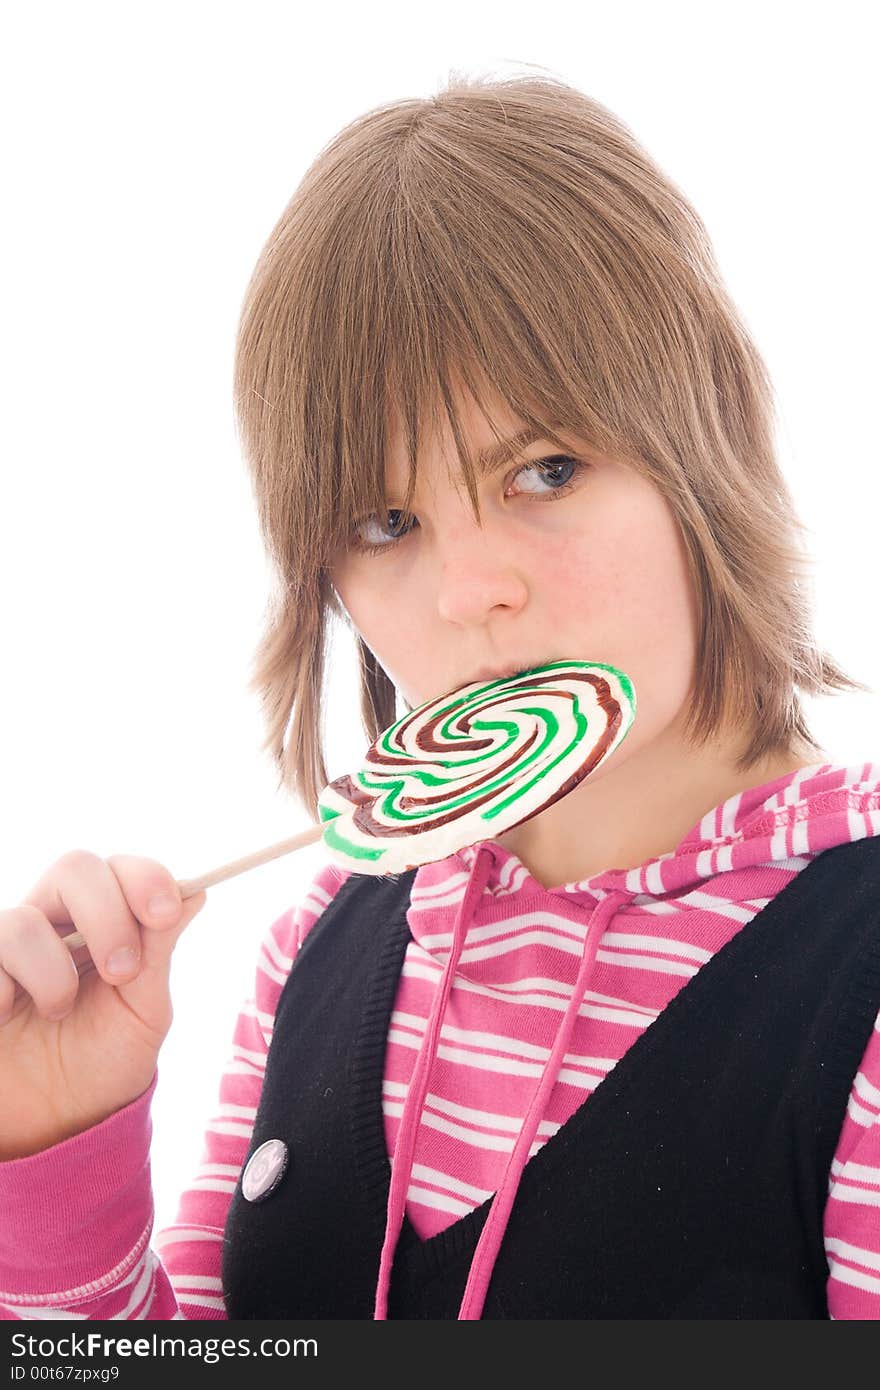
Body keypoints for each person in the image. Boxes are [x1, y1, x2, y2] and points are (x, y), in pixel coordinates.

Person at [1, 72, 879, 1321]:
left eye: (546, 469)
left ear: (704, 442)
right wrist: (60, 1155)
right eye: (386, 519)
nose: (469, 588)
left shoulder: (857, 978)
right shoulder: (326, 943)